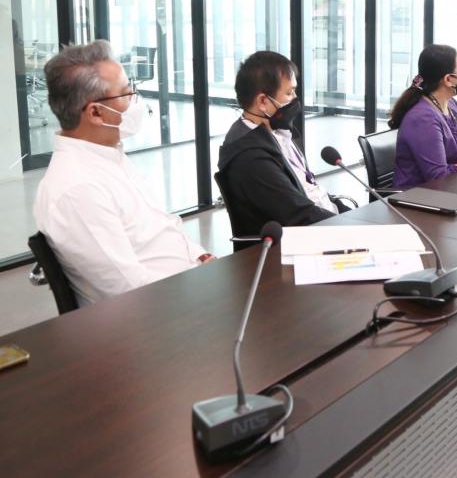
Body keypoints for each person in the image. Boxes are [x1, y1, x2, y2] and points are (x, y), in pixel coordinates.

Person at [33, 40, 213, 306]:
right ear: (95, 112)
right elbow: (128, 289)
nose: (134, 101)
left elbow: (159, 227)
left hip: (186, 285)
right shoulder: (78, 188)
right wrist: (202, 285)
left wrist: (198, 256)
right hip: (161, 313)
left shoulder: (108, 155)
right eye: (126, 93)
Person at [218, 51, 348, 237]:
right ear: (263, 101)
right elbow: (299, 215)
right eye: (289, 92)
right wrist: (350, 228)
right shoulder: (250, 156)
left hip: (326, 222)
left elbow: (308, 188)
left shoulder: (278, 131)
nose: (295, 98)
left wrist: (350, 215)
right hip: (304, 239)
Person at [391, 44, 457, 190]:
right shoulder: (423, 119)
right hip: (418, 197)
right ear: (448, 79)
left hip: (451, 189)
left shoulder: (452, 104)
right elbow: (438, 178)